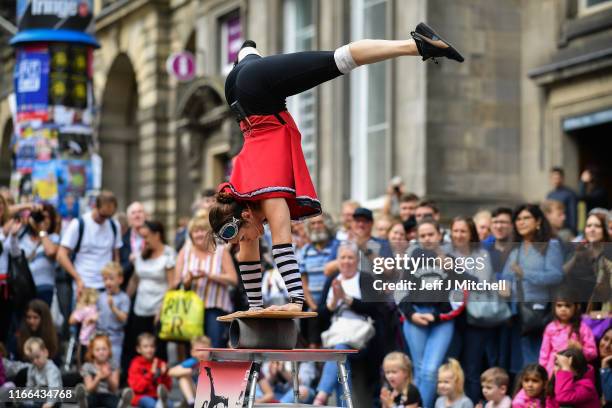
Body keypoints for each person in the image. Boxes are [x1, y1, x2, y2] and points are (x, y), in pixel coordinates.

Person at [209, 27, 464, 312]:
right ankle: (247, 51)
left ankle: (418, 45)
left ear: (245, 216)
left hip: (255, 93)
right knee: (254, 63)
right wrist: (253, 308)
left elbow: (283, 245)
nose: (250, 241)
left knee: (340, 60)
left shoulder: (267, 197)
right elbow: (247, 256)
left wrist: (295, 301)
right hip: (237, 92)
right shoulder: (238, 198)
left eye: (245, 235)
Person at [398, 218, 467, 408]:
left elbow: (459, 296)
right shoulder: (412, 259)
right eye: (422, 236)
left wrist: (451, 271)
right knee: (419, 371)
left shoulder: (452, 260)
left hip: (442, 321)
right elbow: (401, 292)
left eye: (431, 234)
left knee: (430, 371)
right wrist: (411, 314)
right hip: (415, 317)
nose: (427, 239)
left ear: (439, 235)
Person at [313, 242, 385, 406]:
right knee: (340, 357)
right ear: (337, 260)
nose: (346, 261)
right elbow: (320, 314)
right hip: (335, 334)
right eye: (343, 257)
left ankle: (321, 396)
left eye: (350, 257)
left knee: (339, 351)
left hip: (361, 337)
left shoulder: (365, 278)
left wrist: (347, 299)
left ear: (357, 260)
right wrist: (333, 303)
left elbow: (374, 309)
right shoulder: (332, 279)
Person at [500, 204, 564, 367]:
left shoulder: (551, 245)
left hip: (539, 312)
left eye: (526, 218)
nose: (521, 222)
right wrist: (504, 286)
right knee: (521, 362)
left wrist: (525, 274)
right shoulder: (516, 249)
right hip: (516, 312)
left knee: (539, 359)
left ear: (538, 221)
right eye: (518, 219)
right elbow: (507, 276)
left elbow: (556, 275)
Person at [446, 216, 496, 403]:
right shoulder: (445, 252)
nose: (459, 235)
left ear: (471, 234)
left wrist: (454, 271)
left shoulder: (481, 254)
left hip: (475, 317)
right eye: (456, 231)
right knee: (451, 367)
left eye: (463, 231)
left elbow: (481, 284)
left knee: (472, 368)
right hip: (450, 317)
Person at [177, 216, 237, 348]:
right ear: (191, 235)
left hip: (215, 307)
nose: (199, 234)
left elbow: (233, 280)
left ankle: (213, 370)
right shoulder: (185, 252)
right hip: (191, 308)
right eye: (195, 231)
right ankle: (195, 370)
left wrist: (209, 275)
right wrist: (189, 279)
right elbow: (180, 282)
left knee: (214, 347)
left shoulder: (221, 252)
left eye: (202, 230)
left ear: (209, 233)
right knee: (194, 348)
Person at [125, 220, 175, 363]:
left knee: (158, 349)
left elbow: (172, 285)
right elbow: (135, 280)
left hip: (158, 310)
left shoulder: (168, 254)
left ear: (157, 235)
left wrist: (161, 310)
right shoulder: (141, 255)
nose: (143, 241)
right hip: (139, 309)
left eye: (146, 237)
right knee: (140, 347)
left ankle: (160, 382)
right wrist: (125, 300)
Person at [57, 191, 122, 297]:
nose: (104, 219)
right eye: (102, 215)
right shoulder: (78, 224)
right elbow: (61, 255)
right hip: (84, 285)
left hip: (107, 287)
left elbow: (116, 255)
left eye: (108, 216)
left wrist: (116, 278)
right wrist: (77, 278)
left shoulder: (114, 225)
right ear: (95, 206)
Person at [299, 213, 339, 347]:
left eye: (320, 223)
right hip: (313, 309)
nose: (316, 226)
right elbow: (304, 285)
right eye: (313, 224)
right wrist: (314, 307)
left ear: (327, 225)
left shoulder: (337, 247)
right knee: (313, 347)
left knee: (332, 346)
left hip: (334, 307)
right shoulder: (305, 251)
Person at [538, 290, 597, 375]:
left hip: (575, 371)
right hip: (553, 372)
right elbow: (544, 354)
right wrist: (543, 373)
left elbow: (593, 353)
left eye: (567, 306)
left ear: (576, 307)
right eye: (559, 305)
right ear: (554, 307)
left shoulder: (583, 328)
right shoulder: (550, 328)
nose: (563, 309)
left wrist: (580, 349)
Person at [563, 211, 611, 311]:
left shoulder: (609, 254)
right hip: (579, 312)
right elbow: (561, 275)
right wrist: (576, 257)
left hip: (603, 311)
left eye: (597, 226)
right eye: (588, 226)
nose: (592, 229)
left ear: (605, 230)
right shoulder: (579, 252)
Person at [13, 203, 60, 305]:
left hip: (43, 288)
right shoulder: (21, 235)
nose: (42, 220)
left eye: (46, 217)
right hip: (21, 289)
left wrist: (41, 231)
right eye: (40, 216)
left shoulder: (53, 238)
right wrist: (27, 206)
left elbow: (50, 251)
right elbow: (6, 213)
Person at [78, 333, 133, 408]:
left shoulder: (113, 365)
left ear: (109, 350)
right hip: (93, 394)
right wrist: (98, 378)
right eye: (97, 350)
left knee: (113, 400)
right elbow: (89, 389)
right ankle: (83, 403)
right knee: (90, 399)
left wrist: (108, 377)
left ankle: (122, 404)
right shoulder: (88, 366)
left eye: (104, 349)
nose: (101, 352)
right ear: (92, 352)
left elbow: (114, 389)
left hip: (109, 394)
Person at [96, 262, 130, 366]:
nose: (108, 282)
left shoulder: (124, 298)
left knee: (114, 364)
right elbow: (97, 313)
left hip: (115, 337)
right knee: (99, 363)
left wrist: (113, 308)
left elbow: (124, 318)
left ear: (120, 280)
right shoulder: (100, 296)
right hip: (101, 336)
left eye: (111, 279)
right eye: (105, 279)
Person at [127, 333, 173, 408]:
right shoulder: (135, 363)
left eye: (152, 346)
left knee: (170, 405)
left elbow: (168, 388)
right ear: (138, 349)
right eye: (145, 347)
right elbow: (137, 387)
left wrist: (164, 374)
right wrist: (151, 374)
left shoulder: (160, 363)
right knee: (151, 404)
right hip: (141, 396)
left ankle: (161, 404)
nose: (149, 349)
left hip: (158, 396)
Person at [168, 335, 211, 408]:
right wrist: (191, 371)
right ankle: (191, 403)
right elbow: (171, 372)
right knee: (183, 377)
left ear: (210, 350)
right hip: (195, 393)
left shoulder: (213, 362)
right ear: (192, 352)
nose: (201, 353)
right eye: (198, 350)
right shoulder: (193, 362)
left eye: (204, 349)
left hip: (210, 394)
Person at [23, 337, 62, 408]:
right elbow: (30, 386)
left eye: (37, 357)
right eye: (31, 359)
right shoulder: (32, 368)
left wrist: (49, 403)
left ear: (46, 353)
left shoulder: (51, 369)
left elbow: (53, 388)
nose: (35, 361)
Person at [120, 201, 147, 290]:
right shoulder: (122, 240)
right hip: (128, 289)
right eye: (133, 213)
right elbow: (119, 269)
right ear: (128, 219)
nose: (137, 216)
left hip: (148, 287)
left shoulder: (153, 237)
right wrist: (130, 262)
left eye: (140, 212)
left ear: (146, 216)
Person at [546, 167, 577, 234]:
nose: (556, 181)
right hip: (552, 230)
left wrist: (573, 231)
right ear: (550, 179)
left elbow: (573, 214)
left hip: (565, 230)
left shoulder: (569, 194)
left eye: (557, 178)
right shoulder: (550, 195)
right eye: (554, 178)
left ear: (562, 178)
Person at [599, 328, 612, 407]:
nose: (607, 345)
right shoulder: (588, 363)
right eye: (605, 339)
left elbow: (608, 398)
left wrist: (605, 368)